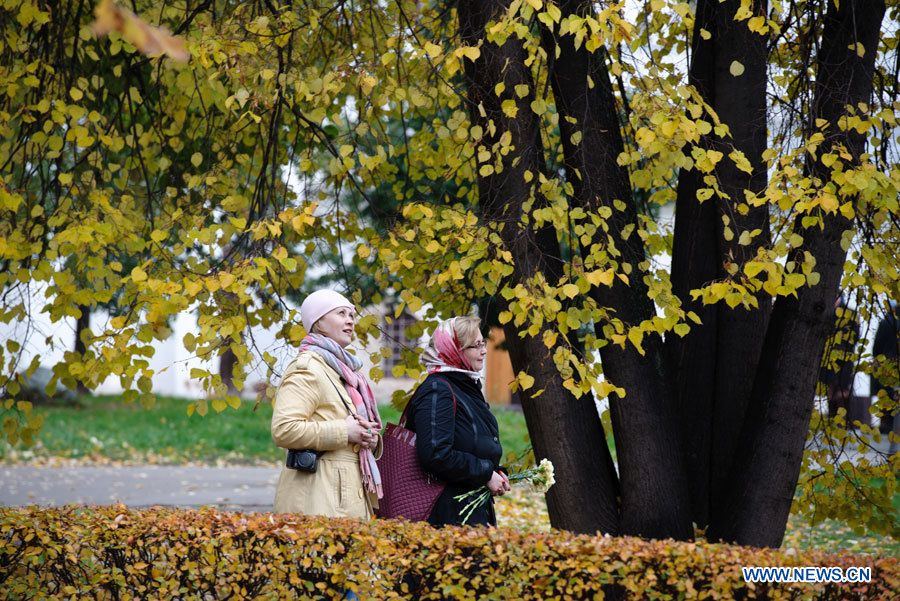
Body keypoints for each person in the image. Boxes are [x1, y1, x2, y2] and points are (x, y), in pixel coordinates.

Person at [271, 289, 383, 518]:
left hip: (346, 497)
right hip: (318, 499)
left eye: (351, 314)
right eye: (341, 313)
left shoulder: (345, 371)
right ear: (319, 323)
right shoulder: (307, 368)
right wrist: (344, 431)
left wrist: (368, 437)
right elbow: (284, 430)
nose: (350, 320)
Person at [406, 316, 509, 527]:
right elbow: (436, 454)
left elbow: (471, 445)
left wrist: (495, 471)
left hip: (466, 514)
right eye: (475, 345)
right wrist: (485, 473)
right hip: (444, 518)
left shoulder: (464, 387)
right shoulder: (438, 390)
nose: (483, 350)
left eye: (483, 343)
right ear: (454, 349)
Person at [871, 301, 899, 454]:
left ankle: (885, 425)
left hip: (886, 363)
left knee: (885, 395)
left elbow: (877, 346)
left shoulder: (885, 321)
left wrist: (878, 359)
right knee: (895, 397)